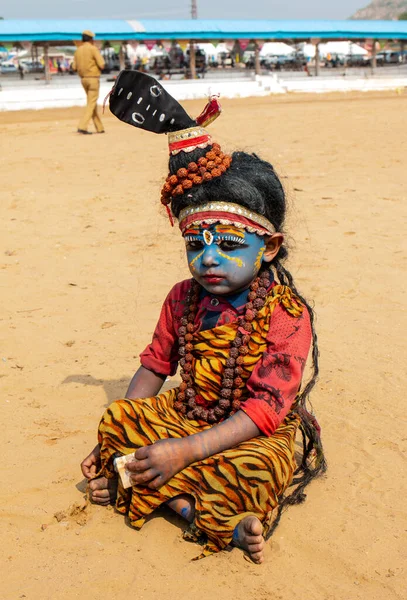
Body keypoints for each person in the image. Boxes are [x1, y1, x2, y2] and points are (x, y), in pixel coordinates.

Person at [81, 72, 326, 563]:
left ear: (269, 247)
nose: (208, 258)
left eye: (229, 244)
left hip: (251, 431)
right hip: (186, 412)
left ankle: (172, 499)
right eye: (196, 244)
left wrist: (184, 452)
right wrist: (114, 437)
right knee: (118, 419)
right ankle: (187, 504)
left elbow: (263, 410)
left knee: (257, 469)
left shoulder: (286, 314)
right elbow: (153, 368)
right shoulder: (181, 299)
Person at [72, 30, 105, 135]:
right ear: (91, 39)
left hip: (83, 79)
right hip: (93, 79)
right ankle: (82, 126)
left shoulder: (78, 50)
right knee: (91, 103)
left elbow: (74, 67)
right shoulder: (93, 49)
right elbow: (102, 64)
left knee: (92, 103)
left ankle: (99, 127)